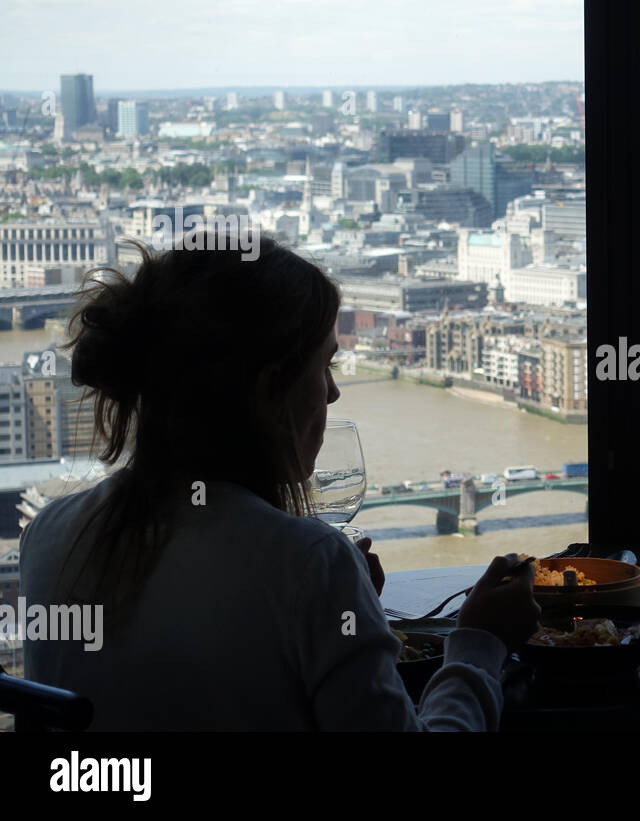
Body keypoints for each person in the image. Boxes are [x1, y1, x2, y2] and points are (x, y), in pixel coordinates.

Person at [19, 235, 540, 730]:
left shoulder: (47, 536)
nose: (334, 394)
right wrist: (478, 643)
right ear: (271, 391)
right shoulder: (310, 565)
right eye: (324, 367)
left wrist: (346, 610)